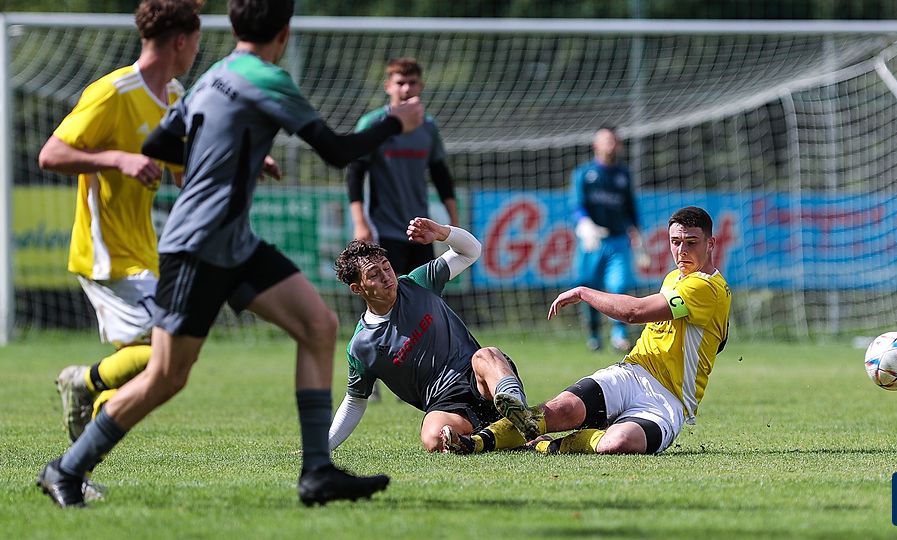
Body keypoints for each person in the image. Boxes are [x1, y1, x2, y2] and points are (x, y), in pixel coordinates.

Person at [36, 0, 424, 509]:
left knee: (318, 325)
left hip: (231, 243)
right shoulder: (268, 78)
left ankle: (316, 472)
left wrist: (236, 153)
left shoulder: (214, 75)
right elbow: (336, 151)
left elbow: (161, 143)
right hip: (198, 246)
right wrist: (395, 121)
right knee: (166, 376)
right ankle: (65, 469)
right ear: (283, 33)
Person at [37, 0, 202, 447]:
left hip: (143, 249)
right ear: (181, 42)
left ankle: (87, 417)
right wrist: (118, 159)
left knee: (162, 361)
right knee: (168, 352)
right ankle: (84, 385)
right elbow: (51, 154)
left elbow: (184, 171)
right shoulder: (113, 92)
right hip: (105, 251)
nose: (196, 51)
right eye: (196, 41)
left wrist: (240, 162)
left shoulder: (174, 96)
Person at [443, 207, 730, 456]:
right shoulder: (675, 277)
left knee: (618, 442)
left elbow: (634, 312)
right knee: (560, 410)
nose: (681, 251)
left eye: (691, 242)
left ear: (711, 243)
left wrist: (583, 292)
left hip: (668, 401)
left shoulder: (706, 287)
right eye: (675, 242)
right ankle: (474, 443)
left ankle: (546, 446)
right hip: (632, 373)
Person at [330, 217, 529, 453]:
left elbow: (471, 251)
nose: (386, 276)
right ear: (357, 288)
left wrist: (441, 232)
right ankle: (496, 435)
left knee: (486, 355)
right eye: (374, 274)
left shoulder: (418, 283)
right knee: (433, 438)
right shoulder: (361, 346)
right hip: (445, 403)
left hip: (479, 379)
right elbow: (355, 401)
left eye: (386, 267)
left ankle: (523, 417)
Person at [346, 57, 459, 276]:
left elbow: (441, 175)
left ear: (421, 86)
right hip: (383, 230)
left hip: (421, 230)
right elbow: (355, 174)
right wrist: (360, 223)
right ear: (388, 86)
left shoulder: (428, 127)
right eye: (400, 83)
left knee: (424, 293)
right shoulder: (373, 124)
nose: (406, 89)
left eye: (412, 82)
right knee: (388, 291)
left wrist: (454, 221)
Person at [570, 127, 645, 353]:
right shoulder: (584, 174)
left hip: (618, 241)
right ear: (596, 145)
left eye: (613, 141)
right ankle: (594, 335)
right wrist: (585, 225)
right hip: (592, 240)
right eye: (606, 140)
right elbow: (577, 205)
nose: (610, 145)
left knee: (618, 286)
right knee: (587, 287)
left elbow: (631, 209)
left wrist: (639, 238)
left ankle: (619, 334)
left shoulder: (623, 175)